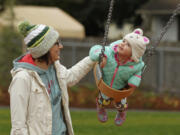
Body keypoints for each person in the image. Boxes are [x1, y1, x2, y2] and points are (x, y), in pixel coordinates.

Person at [8, 21, 95, 135]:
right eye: (56, 43)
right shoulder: (22, 79)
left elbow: (72, 76)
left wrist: (92, 58)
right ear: (45, 49)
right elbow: (18, 127)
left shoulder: (55, 68)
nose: (61, 46)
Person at [89, 28, 150, 126]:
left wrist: (134, 80)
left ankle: (121, 113)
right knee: (103, 101)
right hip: (105, 85)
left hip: (121, 89)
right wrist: (99, 55)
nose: (122, 44)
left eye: (128, 45)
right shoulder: (108, 52)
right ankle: (101, 108)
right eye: (124, 41)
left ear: (134, 53)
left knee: (121, 105)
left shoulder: (136, 66)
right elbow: (95, 48)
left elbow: (137, 73)